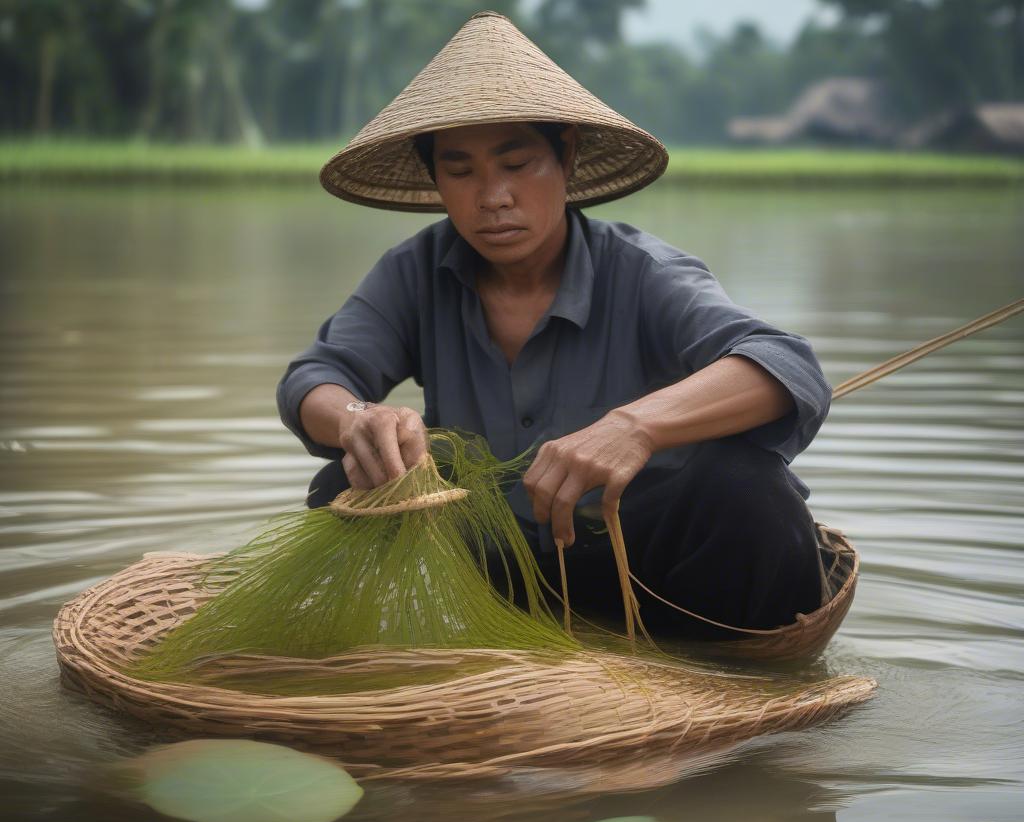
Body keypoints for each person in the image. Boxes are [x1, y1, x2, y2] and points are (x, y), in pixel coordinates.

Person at [276, 12, 831, 640]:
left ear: (564, 157)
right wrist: (356, 418)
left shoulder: (644, 272)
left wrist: (633, 427)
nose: (493, 197)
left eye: (517, 164)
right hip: (493, 566)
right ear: (436, 179)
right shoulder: (414, 272)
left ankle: (754, 686)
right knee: (344, 485)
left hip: (646, 562)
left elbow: (784, 364)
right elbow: (317, 376)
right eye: (461, 172)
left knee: (747, 487)